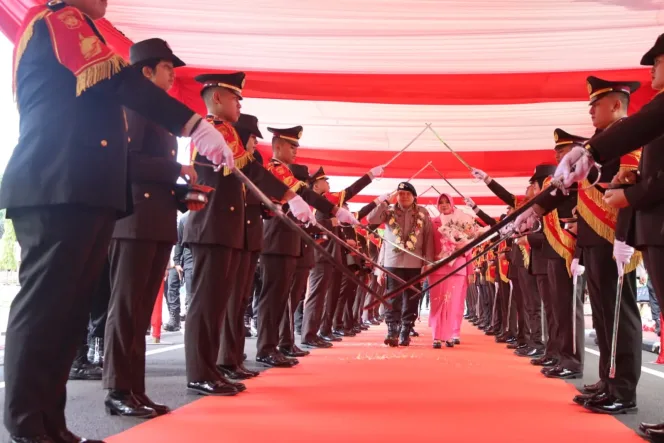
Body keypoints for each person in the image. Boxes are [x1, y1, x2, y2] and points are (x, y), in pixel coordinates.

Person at [1, 1, 233, 441]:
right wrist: (191, 123)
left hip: (83, 190)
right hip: (58, 184)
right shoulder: (61, 18)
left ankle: (50, 425)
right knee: (46, 309)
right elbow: (120, 80)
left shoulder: (76, 24)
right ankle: (29, 425)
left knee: (67, 313)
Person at [182, 73, 314, 394]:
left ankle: (212, 367)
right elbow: (246, 170)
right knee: (206, 303)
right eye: (235, 97)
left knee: (220, 303)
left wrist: (290, 197)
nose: (239, 103)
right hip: (211, 226)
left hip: (227, 229)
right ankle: (200, 371)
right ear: (216, 99)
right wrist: (291, 195)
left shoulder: (227, 133)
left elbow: (249, 172)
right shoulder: (213, 129)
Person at [102, 37, 208, 419]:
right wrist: (175, 170)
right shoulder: (136, 107)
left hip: (157, 217)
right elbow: (127, 161)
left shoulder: (157, 114)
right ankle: (117, 388)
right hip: (133, 220)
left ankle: (135, 389)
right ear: (146, 71)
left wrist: (183, 193)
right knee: (127, 308)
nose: (171, 75)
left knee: (141, 308)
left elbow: (154, 170)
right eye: (167, 68)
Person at [257, 127, 359, 366]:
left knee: (282, 298)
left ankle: (274, 345)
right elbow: (302, 194)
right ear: (278, 145)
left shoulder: (284, 172)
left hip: (288, 241)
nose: (294, 151)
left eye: (296, 147)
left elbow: (306, 195)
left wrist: (336, 211)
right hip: (276, 240)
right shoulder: (274, 170)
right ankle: (265, 348)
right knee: (272, 298)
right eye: (291, 146)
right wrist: (333, 211)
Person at [367, 182, 435, 346]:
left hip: (415, 262)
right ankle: (392, 329)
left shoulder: (422, 213)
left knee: (412, 298)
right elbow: (371, 219)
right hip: (393, 262)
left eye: (407, 194)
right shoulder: (388, 211)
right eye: (400, 194)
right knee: (392, 297)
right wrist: (385, 202)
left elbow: (428, 238)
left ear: (414, 197)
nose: (403, 197)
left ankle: (406, 329)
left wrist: (428, 262)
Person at [429, 193, 478, 347]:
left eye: (446, 202)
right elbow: (428, 245)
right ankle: (437, 336)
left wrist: (470, 270)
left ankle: (451, 334)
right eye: (441, 202)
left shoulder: (463, 222)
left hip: (458, 268)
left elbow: (469, 248)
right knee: (437, 302)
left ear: (451, 204)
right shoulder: (433, 222)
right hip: (437, 267)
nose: (444, 205)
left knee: (454, 303)